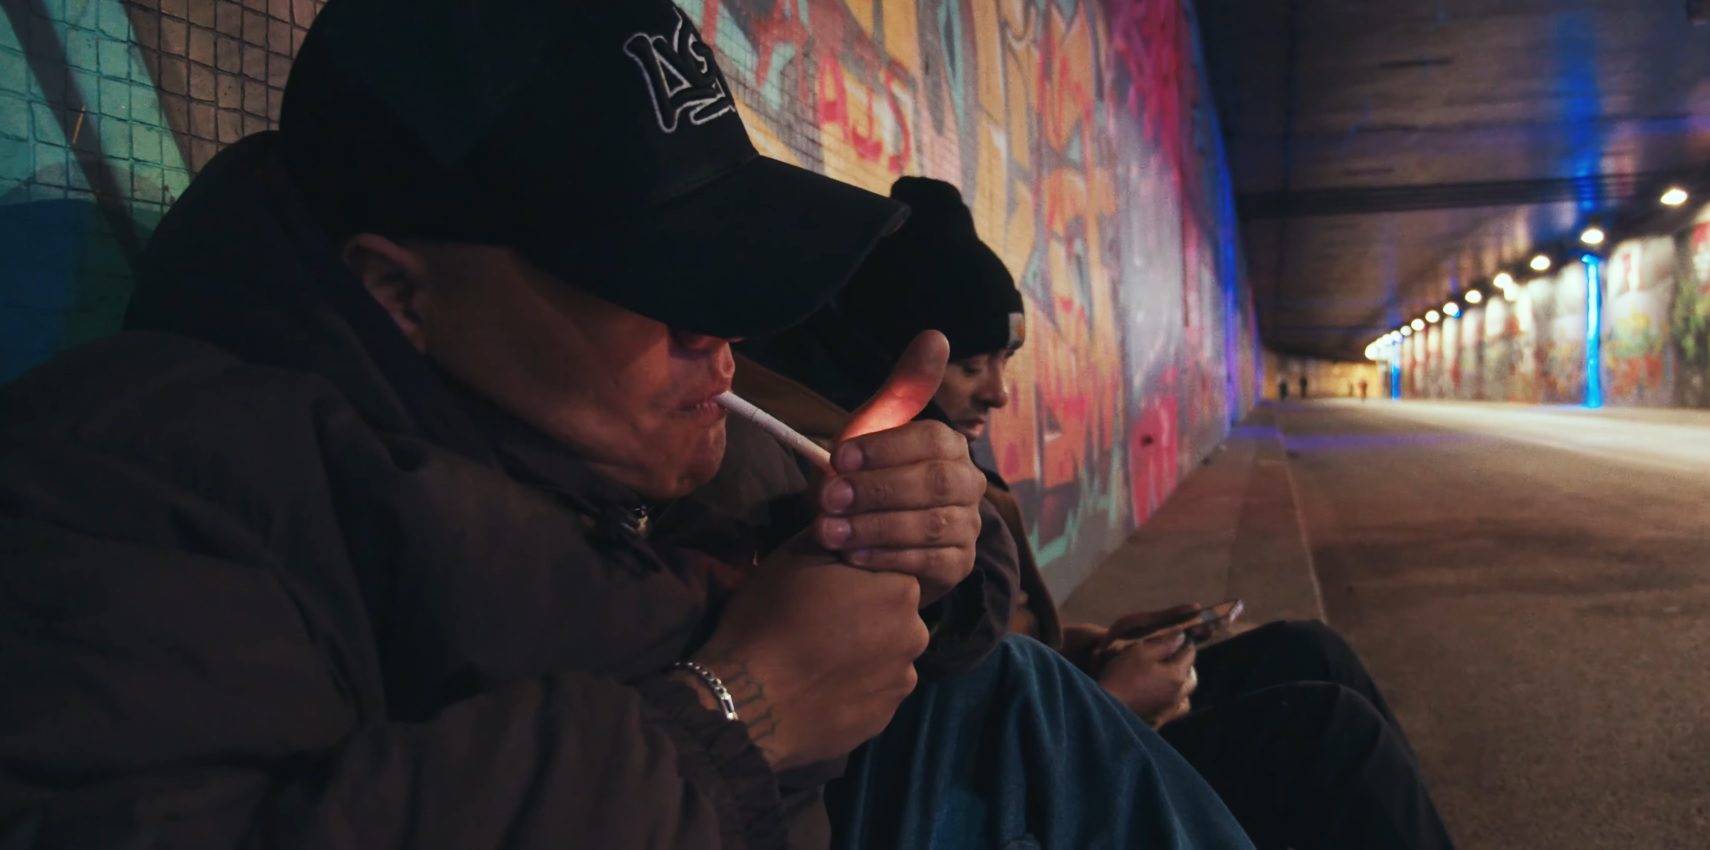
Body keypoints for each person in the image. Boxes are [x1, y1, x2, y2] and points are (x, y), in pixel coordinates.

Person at [0, 3, 1255, 849]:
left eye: (725, 265)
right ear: (398, 291)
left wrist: (929, 547)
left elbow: (943, 643)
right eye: (654, 277)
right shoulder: (134, 476)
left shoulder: (676, 423)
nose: (723, 331)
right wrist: (736, 716)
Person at [731, 177, 1458, 850]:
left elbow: (992, 643)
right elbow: (922, 721)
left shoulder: (927, 453)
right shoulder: (841, 477)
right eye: (973, 364)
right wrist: (1112, 698)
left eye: (1005, 361)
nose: (1000, 392)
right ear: (887, 354)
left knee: (1309, 649)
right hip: (1017, 773)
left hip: (1047, 707)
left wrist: (1097, 644)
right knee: (1333, 738)